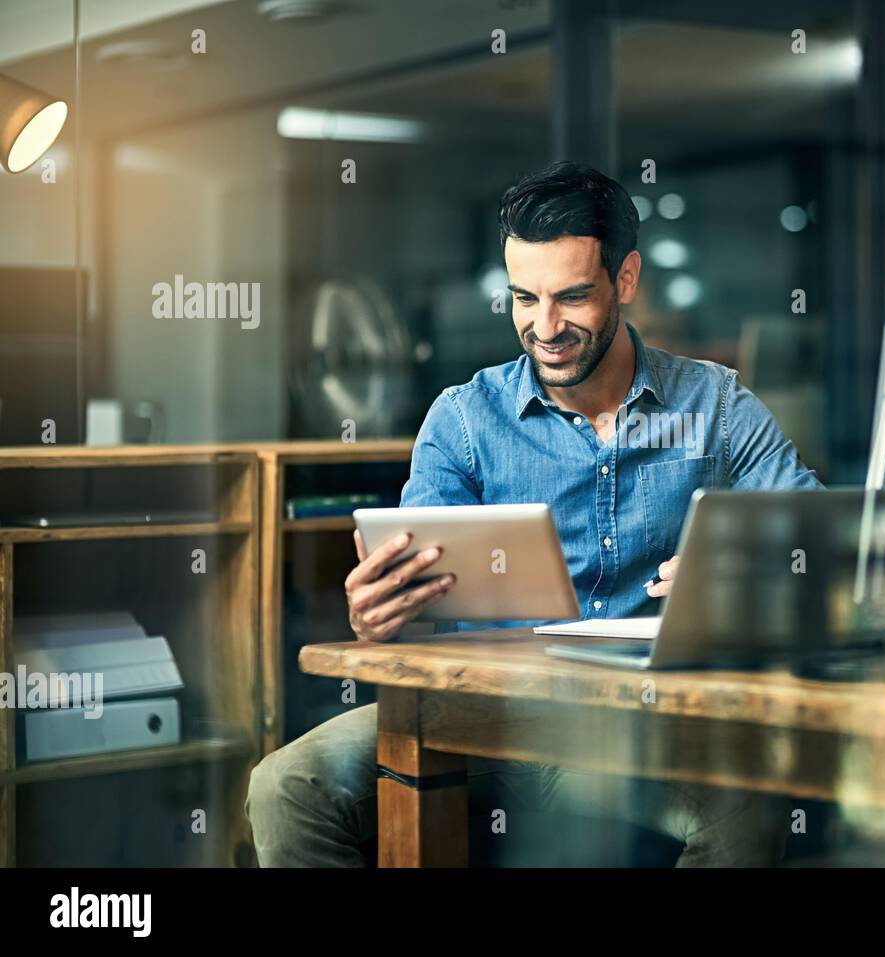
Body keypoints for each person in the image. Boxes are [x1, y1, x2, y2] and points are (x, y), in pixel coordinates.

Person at [246, 161, 821, 866]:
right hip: (480, 716)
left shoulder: (717, 406)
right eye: (525, 298)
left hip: (642, 728)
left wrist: (752, 578)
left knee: (743, 812)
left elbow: (823, 545)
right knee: (286, 784)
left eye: (572, 297)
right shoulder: (462, 419)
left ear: (627, 279)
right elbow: (415, 595)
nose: (544, 327)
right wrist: (379, 618)